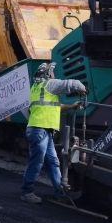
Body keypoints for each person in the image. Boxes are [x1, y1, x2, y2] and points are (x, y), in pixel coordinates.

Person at [20, 62, 87, 204]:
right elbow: (71, 84)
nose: (53, 74)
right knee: (36, 162)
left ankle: (60, 193)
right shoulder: (49, 84)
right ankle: (27, 192)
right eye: (52, 72)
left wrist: (70, 106)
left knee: (53, 162)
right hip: (40, 130)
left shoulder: (36, 88)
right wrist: (82, 89)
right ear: (48, 74)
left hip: (42, 130)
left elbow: (52, 106)